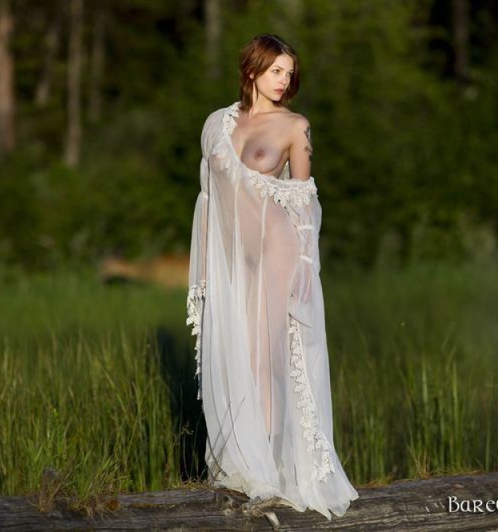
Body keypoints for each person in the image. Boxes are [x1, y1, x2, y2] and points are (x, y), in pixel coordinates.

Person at [186, 34, 359, 520]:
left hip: (277, 250)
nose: (283, 80)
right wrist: (206, 270)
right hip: (232, 258)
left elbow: (304, 203)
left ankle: (266, 472)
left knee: (265, 358)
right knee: (233, 351)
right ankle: (239, 466)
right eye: (275, 70)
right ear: (252, 69)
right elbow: (207, 198)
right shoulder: (217, 123)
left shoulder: (295, 127)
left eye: (289, 73)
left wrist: (305, 269)